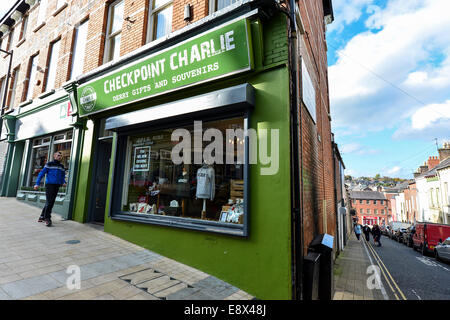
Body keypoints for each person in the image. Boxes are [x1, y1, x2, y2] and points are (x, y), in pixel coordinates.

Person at [34, 151, 66, 227]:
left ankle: (42, 216)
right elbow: (41, 174)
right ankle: (47, 218)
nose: (59, 157)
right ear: (54, 156)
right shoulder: (49, 164)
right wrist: (37, 183)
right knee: (50, 201)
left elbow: (62, 176)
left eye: (60, 156)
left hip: (57, 185)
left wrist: (63, 182)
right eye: (58, 155)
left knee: (50, 201)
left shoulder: (61, 166)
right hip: (50, 185)